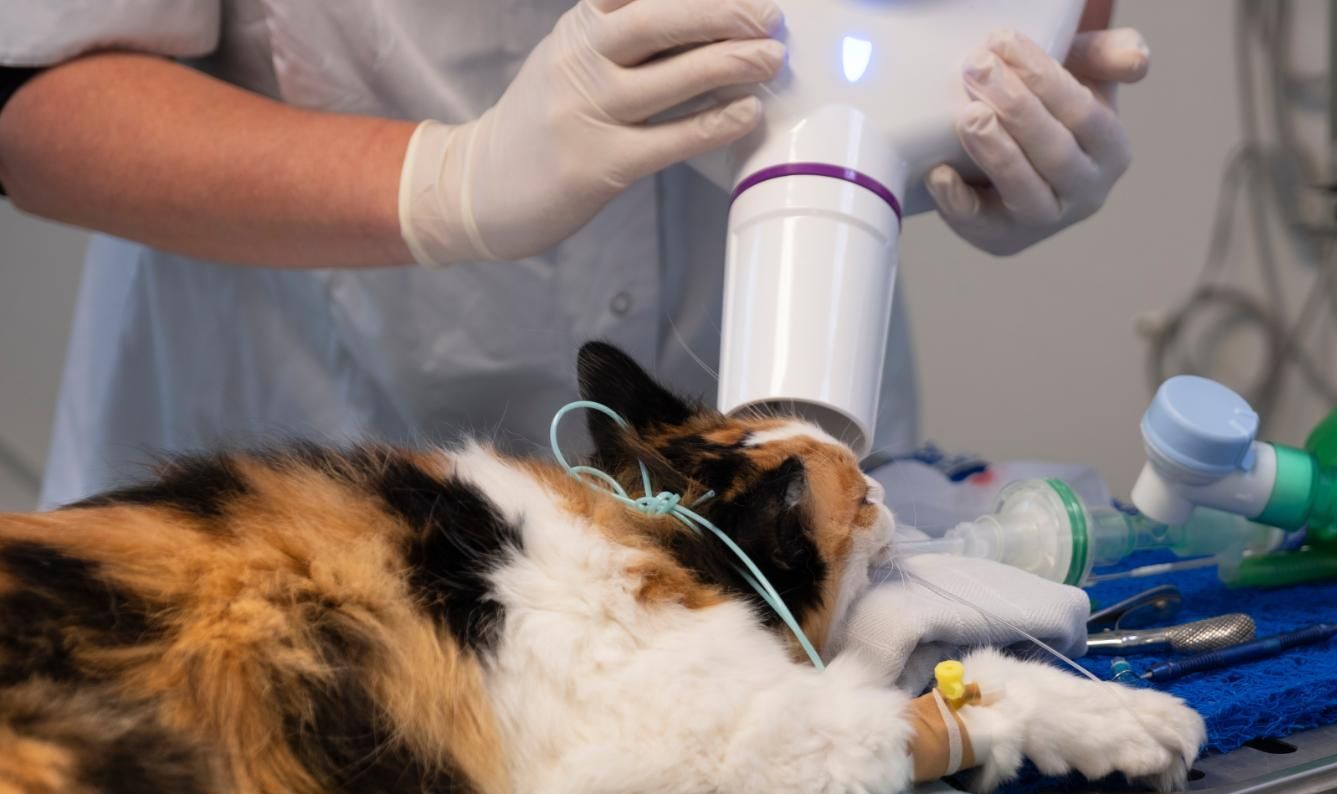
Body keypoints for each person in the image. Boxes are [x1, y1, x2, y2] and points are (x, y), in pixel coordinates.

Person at [0, 0, 1150, 507]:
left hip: (776, 433)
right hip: (301, 463)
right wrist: (444, 185)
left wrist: (1002, 110)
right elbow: (38, 92)